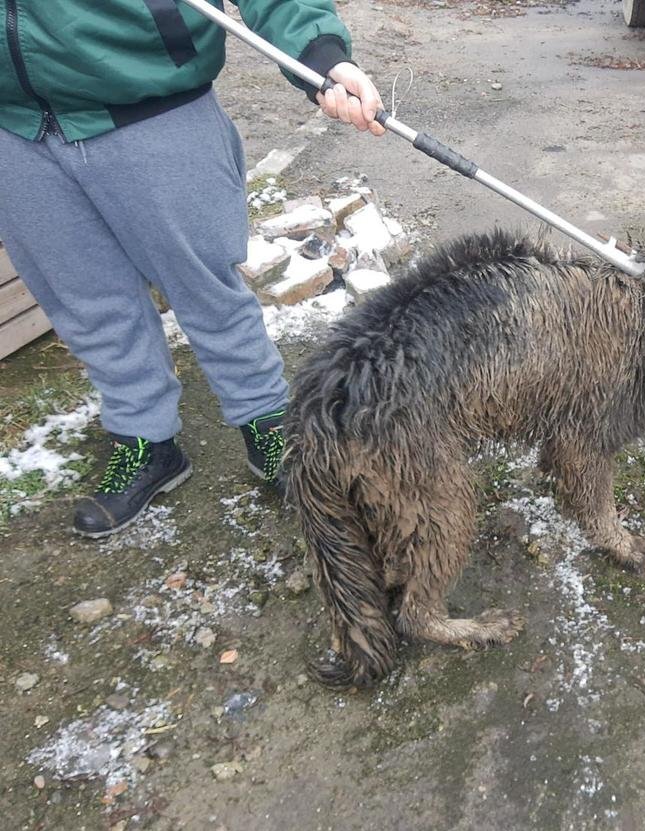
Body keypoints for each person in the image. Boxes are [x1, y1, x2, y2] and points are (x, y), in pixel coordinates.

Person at [0, 0, 385, 537]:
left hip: (152, 105)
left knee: (208, 290)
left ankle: (266, 421)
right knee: (84, 301)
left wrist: (320, 53)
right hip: (13, 129)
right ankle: (145, 438)